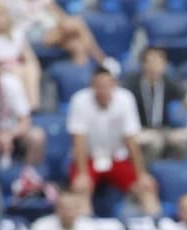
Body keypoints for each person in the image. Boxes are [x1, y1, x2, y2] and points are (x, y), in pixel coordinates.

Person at [67, 65, 160, 215]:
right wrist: (82, 174)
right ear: (93, 86)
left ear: (114, 85)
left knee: (146, 188)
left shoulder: (125, 99)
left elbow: (131, 140)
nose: (103, 90)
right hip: (89, 158)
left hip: (117, 157)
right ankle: (85, 228)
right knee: (80, 189)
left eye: (107, 86)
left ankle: (154, 227)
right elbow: (79, 141)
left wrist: (141, 174)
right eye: (99, 86)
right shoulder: (79, 101)